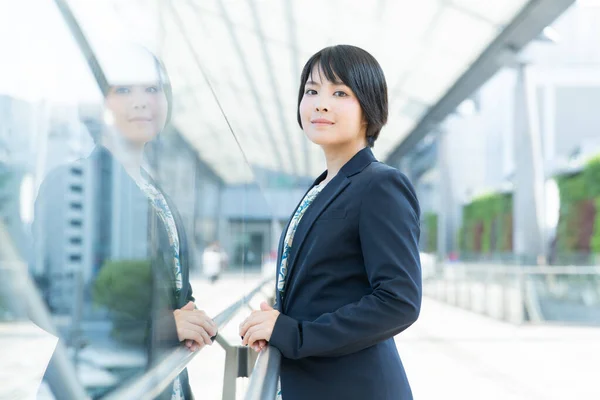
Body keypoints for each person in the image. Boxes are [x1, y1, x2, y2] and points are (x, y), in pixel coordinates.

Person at [239, 45, 422, 400]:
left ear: (369, 108)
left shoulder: (380, 184)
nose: (321, 103)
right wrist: (278, 318)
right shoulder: (324, 186)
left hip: (355, 386)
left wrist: (296, 333)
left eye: (340, 92)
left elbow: (398, 300)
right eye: (312, 91)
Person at [33, 45, 215, 400]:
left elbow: (173, 287)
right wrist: (164, 325)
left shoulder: (155, 191)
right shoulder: (72, 184)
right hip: (105, 383)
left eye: (153, 89)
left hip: (162, 379)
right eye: (123, 90)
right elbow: (52, 306)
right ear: (99, 102)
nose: (141, 102)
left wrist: (186, 314)